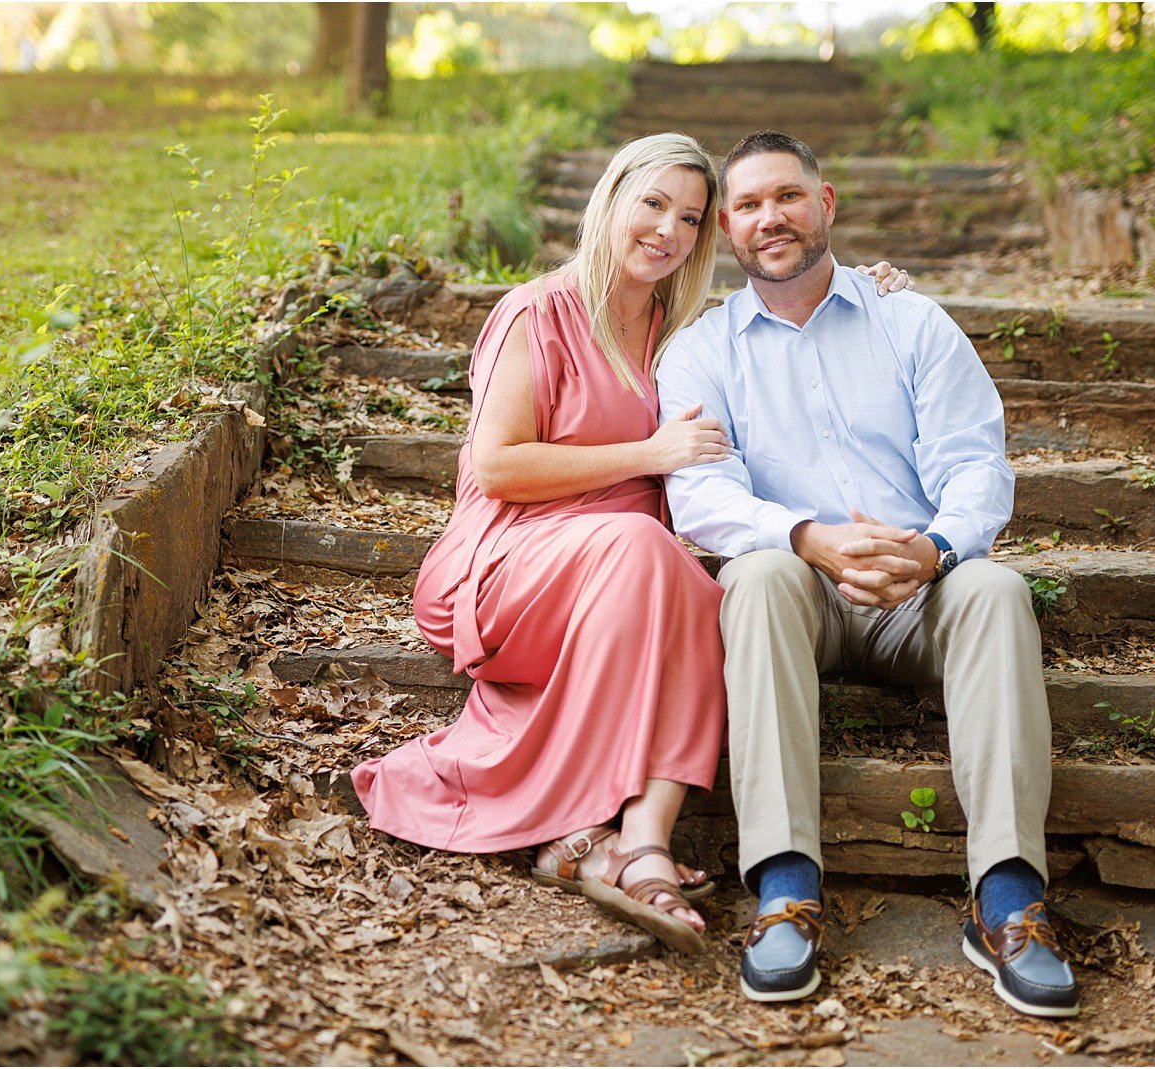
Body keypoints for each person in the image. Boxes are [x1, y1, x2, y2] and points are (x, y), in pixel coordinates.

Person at [353, 133, 911, 955]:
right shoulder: (537, 311)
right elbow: (499, 465)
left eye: (689, 217)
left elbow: (795, 341)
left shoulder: (683, 333)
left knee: (702, 588)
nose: (667, 230)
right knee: (646, 547)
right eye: (652, 204)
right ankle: (581, 823)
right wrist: (647, 457)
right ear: (611, 199)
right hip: (502, 560)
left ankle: (642, 836)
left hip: (621, 570)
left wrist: (871, 291)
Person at [656, 131, 1078, 1016]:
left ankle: (1006, 895)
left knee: (997, 588)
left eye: (789, 197)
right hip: (798, 593)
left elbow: (977, 465)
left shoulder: (910, 320)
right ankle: (783, 885)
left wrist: (931, 550)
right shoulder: (704, 350)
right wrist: (807, 536)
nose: (770, 217)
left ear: (828, 203)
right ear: (726, 229)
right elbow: (698, 495)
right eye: (747, 205)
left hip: (919, 589)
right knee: (756, 576)